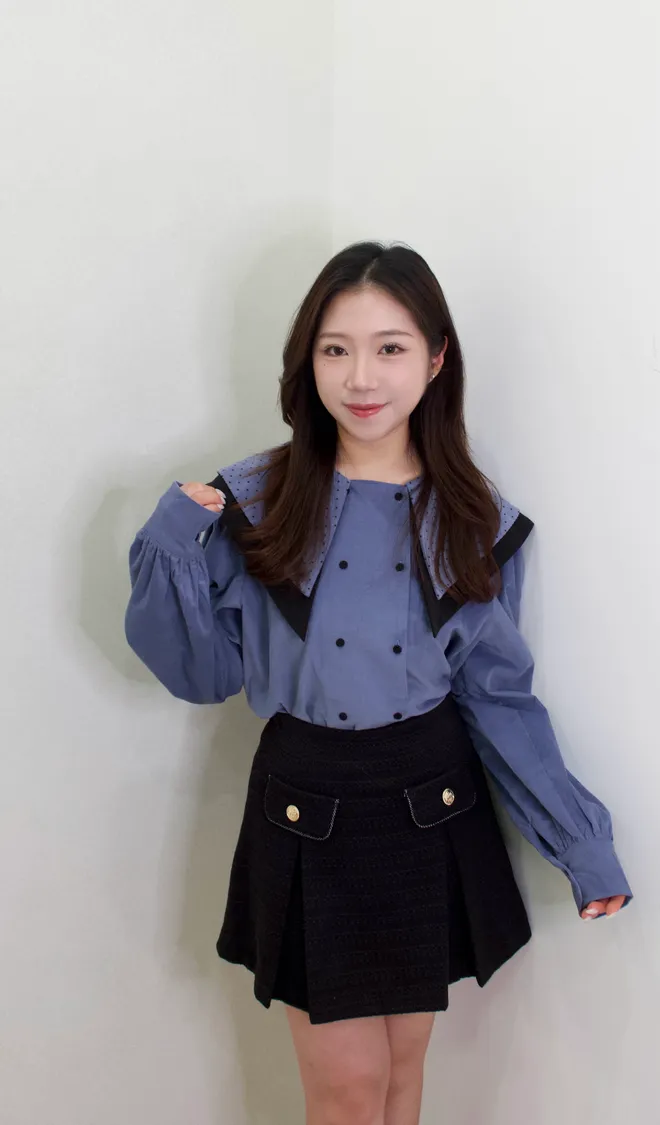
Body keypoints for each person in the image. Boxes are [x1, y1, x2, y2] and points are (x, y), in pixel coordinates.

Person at [124, 241, 632, 1125]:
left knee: (400, 1073)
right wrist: (169, 546)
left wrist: (580, 844)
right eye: (336, 348)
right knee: (349, 1089)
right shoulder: (255, 503)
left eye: (390, 347)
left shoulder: (472, 517)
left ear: (435, 360)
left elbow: (498, 700)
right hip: (307, 804)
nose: (361, 376)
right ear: (307, 360)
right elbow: (203, 675)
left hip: (429, 800)